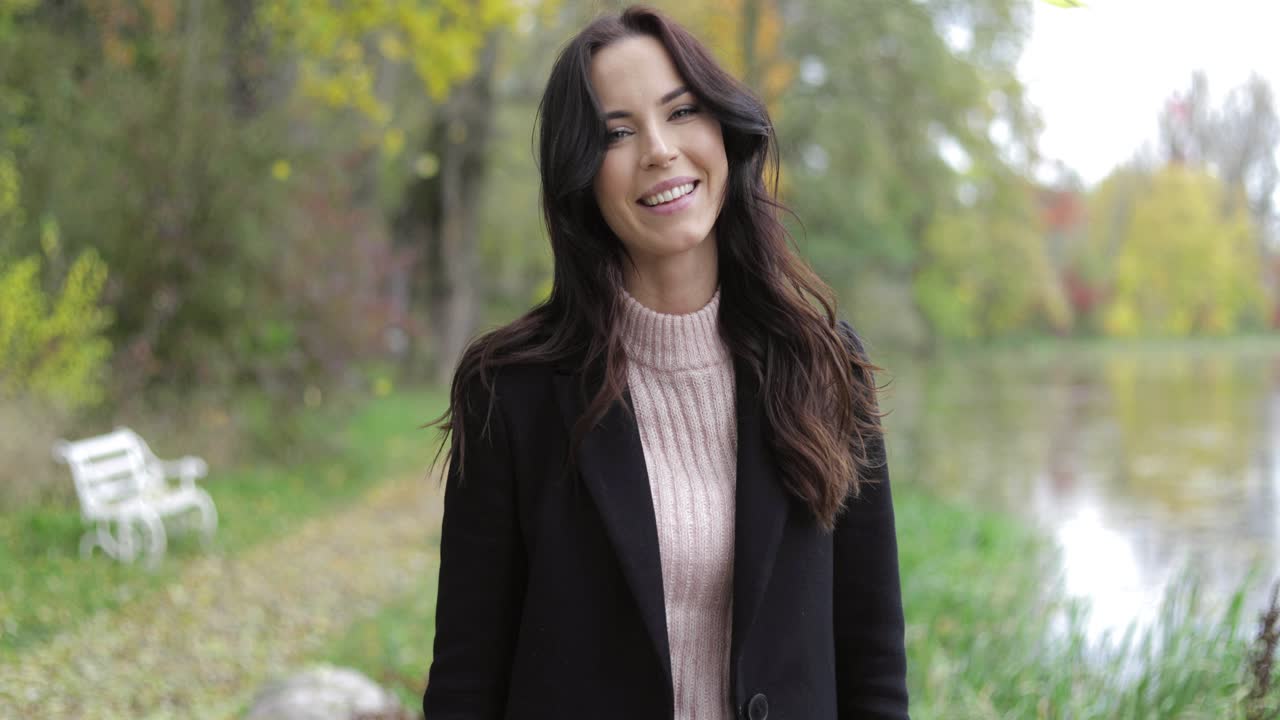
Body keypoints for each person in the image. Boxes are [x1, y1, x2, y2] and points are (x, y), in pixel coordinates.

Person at [421, 6, 908, 719]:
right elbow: (466, 680)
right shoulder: (510, 392)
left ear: (722, 131)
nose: (658, 149)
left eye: (681, 112)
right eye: (617, 132)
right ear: (581, 174)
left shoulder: (821, 364)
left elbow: (873, 663)